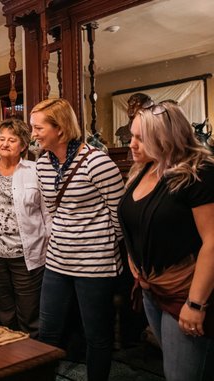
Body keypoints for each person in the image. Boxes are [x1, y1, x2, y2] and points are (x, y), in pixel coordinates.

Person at [118, 100, 214, 380]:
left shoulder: (199, 173)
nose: (132, 144)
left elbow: (212, 241)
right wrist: (133, 261)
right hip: (152, 290)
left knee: (181, 374)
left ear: (165, 138)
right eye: (132, 136)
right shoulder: (144, 168)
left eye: (140, 138)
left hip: (186, 292)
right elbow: (132, 222)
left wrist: (196, 304)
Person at [30, 98, 125, 381]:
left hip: (96, 265)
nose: (33, 134)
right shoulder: (42, 164)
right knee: (47, 331)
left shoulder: (97, 162)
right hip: (58, 261)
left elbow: (119, 215)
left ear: (60, 129)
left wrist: (105, 250)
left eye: (38, 128)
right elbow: (52, 211)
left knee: (96, 335)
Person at [0, 119, 50, 337]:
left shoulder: (36, 171)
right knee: (2, 312)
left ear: (23, 145)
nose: (5, 144)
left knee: (30, 312)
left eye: (12, 140)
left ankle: (33, 359)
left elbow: (47, 215)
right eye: (2, 139)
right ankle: (9, 353)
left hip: (27, 256)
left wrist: (51, 251)